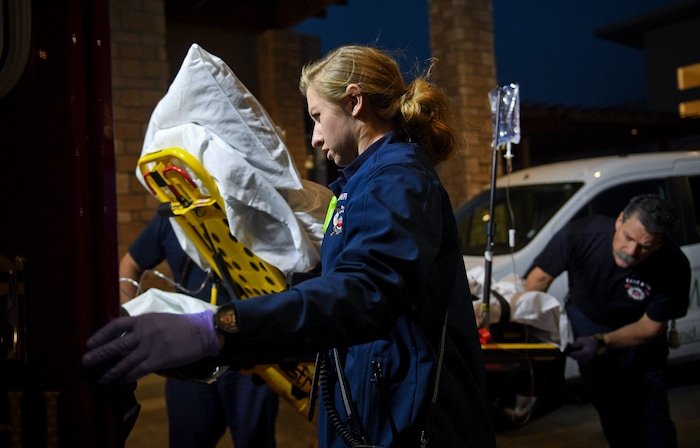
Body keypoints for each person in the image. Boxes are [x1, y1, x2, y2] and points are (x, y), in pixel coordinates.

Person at [83, 45, 496, 448]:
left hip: (406, 420)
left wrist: (224, 328)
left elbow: (365, 292)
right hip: (381, 410)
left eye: (317, 117)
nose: (315, 138)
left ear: (355, 102)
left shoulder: (397, 179)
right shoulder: (364, 184)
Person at [521, 194, 690, 448]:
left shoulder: (673, 264)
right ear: (620, 220)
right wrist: (535, 332)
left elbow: (651, 326)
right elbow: (538, 281)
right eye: (628, 238)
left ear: (660, 244)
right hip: (588, 321)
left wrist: (602, 341)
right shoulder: (581, 235)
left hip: (640, 341)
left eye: (645, 246)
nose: (631, 251)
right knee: (613, 417)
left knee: (652, 418)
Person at [119, 213, 279, 448]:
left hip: (248, 357)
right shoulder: (170, 218)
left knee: (254, 439)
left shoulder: (249, 213)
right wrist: (128, 315)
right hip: (189, 354)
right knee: (188, 438)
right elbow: (130, 264)